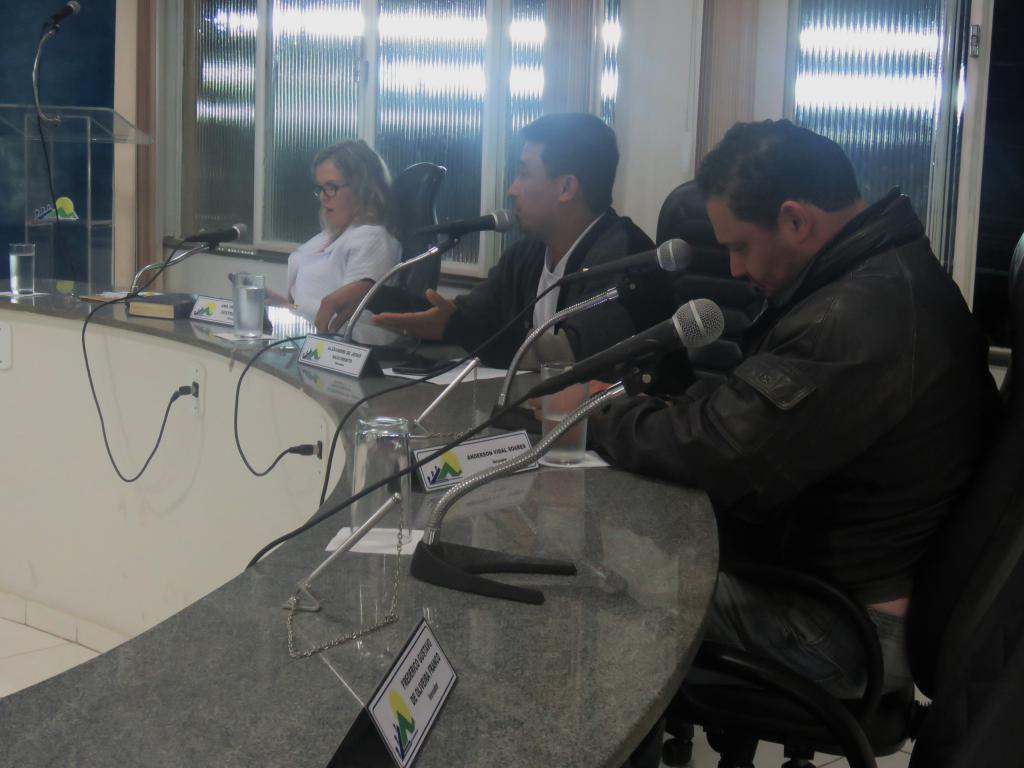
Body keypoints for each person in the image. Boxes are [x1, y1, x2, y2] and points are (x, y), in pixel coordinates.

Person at [590, 119, 1000, 697]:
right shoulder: (878, 273)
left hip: (842, 630)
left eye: (740, 246)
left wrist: (597, 416)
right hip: (835, 590)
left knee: (596, 584)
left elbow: (720, 455)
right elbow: (742, 406)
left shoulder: (855, 314)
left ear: (795, 221)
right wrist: (652, 408)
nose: (734, 269)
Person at [372, 112, 673, 368]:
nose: (512, 190)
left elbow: (570, 354)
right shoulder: (528, 253)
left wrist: (456, 328)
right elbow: (469, 313)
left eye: (524, 174)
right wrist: (372, 295)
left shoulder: (628, 261)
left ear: (566, 188)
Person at [278, 139, 402, 341]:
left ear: (363, 188)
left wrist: (298, 317)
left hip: (332, 348)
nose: (323, 197)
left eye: (331, 187)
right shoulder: (326, 237)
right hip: (304, 339)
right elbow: (308, 303)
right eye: (321, 188)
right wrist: (282, 306)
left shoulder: (372, 238)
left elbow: (352, 321)